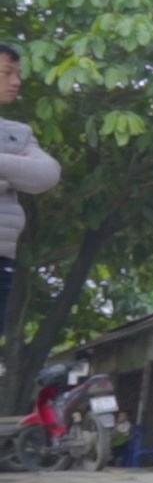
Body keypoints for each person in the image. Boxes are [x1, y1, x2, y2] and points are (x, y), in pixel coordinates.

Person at [0, 43, 60, 333]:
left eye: (18, 74)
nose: (16, 82)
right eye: (6, 73)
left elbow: (46, 175)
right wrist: (13, 166)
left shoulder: (16, 133)